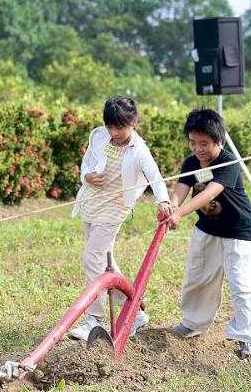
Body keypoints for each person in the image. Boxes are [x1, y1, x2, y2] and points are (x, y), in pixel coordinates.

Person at [68, 96, 173, 340]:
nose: (114, 132)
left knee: (92, 257)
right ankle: (134, 312)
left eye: (120, 127)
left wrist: (163, 200)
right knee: (105, 263)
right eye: (110, 126)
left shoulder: (140, 151)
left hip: (114, 209)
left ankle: (94, 320)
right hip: (91, 203)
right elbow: (87, 162)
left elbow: (155, 178)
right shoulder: (98, 136)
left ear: (134, 122)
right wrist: (87, 177)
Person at [165, 108, 251, 359]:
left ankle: (247, 337)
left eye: (204, 143)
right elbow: (181, 187)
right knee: (198, 276)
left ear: (218, 141)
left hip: (236, 230)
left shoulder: (228, 162)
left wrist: (180, 214)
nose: (198, 148)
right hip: (207, 228)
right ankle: (193, 323)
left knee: (243, 283)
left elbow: (210, 192)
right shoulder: (191, 163)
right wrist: (172, 206)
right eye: (192, 142)